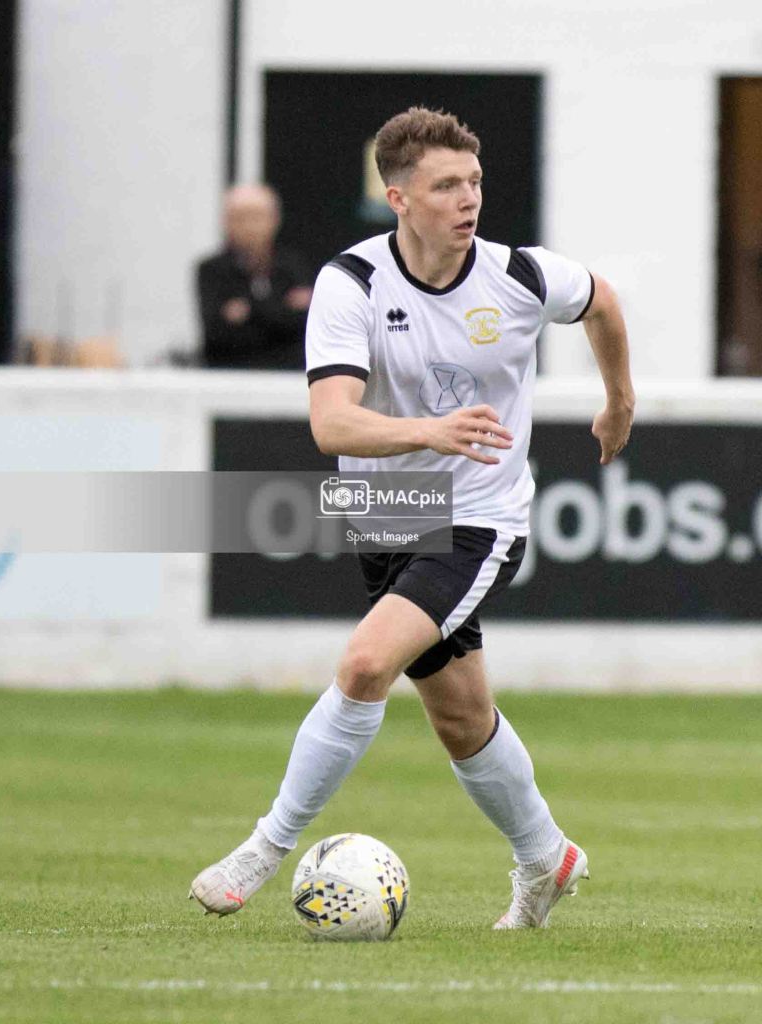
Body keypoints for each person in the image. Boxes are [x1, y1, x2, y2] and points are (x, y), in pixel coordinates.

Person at [190, 107, 634, 929]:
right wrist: (429, 431)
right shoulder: (351, 282)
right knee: (460, 716)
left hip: (479, 512)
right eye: (445, 186)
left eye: (474, 182)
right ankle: (547, 857)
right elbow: (331, 424)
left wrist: (619, 401)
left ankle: (262, 847)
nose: (467, 200)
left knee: (366, 666)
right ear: (397, 198)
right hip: (384, 508)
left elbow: (601, 302)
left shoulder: (520, 275)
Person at [196, 183, 314, 369]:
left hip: (289, 374)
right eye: (240, 218)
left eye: (257, 217)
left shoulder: (294, 266)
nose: (249, 226)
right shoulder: (212, 270)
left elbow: (305, 327)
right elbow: (217, 335)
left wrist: (248, 310)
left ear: (275, 219)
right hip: (228, 373)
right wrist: (281, 308)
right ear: (226, 222)